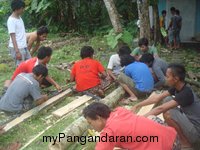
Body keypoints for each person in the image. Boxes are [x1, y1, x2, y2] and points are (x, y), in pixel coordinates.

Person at [132, 63, 200, 149]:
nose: (165, 78)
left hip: (196, 132)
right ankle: (177, 135)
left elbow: (161, 108)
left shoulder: (186, 93)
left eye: (167, 77)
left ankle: (185, 143)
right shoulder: (177, 86)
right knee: (167, 99)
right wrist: (137, 105)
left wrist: (139, 120)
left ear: (176, 79)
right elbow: (157, 98)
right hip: (190, 124)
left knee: (169, 112)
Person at [83, 102, 180, 150]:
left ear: (98, 118)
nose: (92, 127)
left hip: (169, 148)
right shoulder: (119, 111)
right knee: (150, 118)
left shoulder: (109, 133)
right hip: (174, 137)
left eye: (90, 123)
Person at [7, 0, 31, 66]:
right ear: (17, 9)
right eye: (22, 8)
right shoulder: (11, 20)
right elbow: (13, 36)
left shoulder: (19, 18)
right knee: (21, 68)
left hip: (23, 46)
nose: (23, 10)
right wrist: (17, 51)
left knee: (29, 64)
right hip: (18, 48)